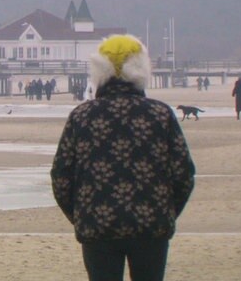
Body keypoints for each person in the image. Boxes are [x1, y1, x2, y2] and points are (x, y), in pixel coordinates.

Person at [51, 34, 195, 281]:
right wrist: (166, 212)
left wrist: (81, 216)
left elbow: (61, 176)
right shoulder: (160, 115)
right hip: (151, 225)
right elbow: (183, 174)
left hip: (98, 224)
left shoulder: (82, 116)